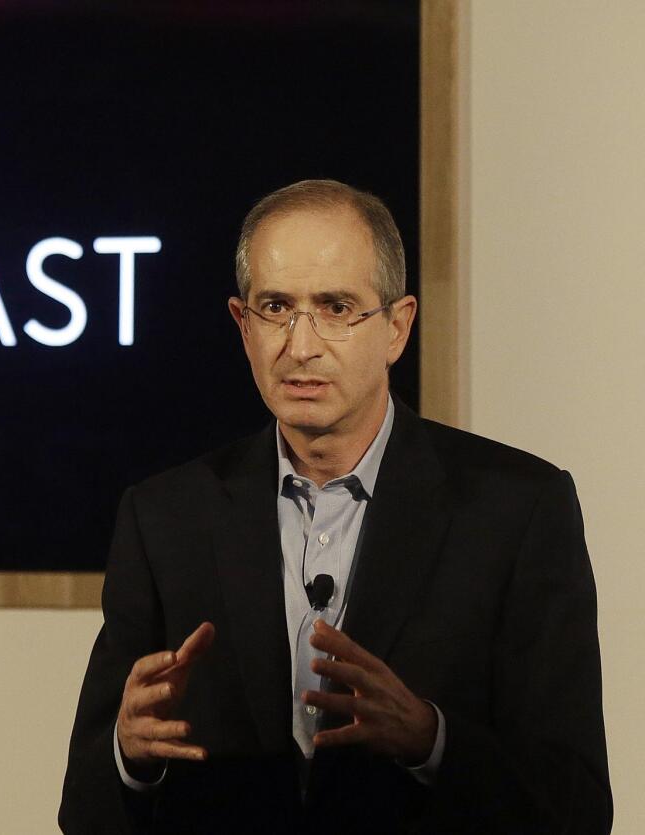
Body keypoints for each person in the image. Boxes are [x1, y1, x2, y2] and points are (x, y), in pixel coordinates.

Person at [58, 180, 612, 833]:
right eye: (276, 307)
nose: (301, 344)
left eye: (336, 306)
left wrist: (430, 739)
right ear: (242, 324)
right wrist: (130, 757)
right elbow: (85, 809)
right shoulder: (166, 518)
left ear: (397, 327)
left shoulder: (517, 511)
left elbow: (575, 806)